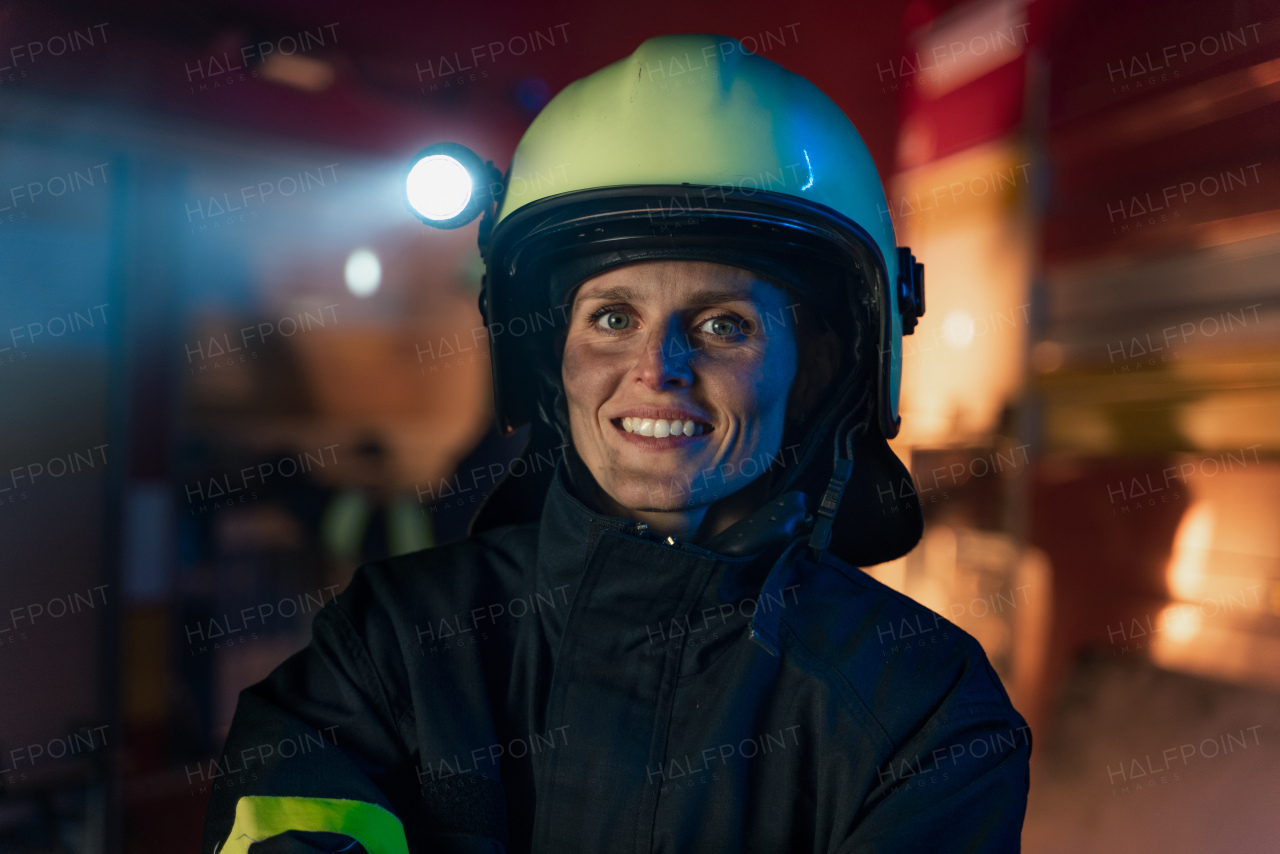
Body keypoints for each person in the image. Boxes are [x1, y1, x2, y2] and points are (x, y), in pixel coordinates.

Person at [202, 33, 1029, 854]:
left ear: (812, 372)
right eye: (612, 318)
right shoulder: (385, 645)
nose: (657, 369)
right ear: (547, 356)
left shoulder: (926, 708)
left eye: (723, 325)